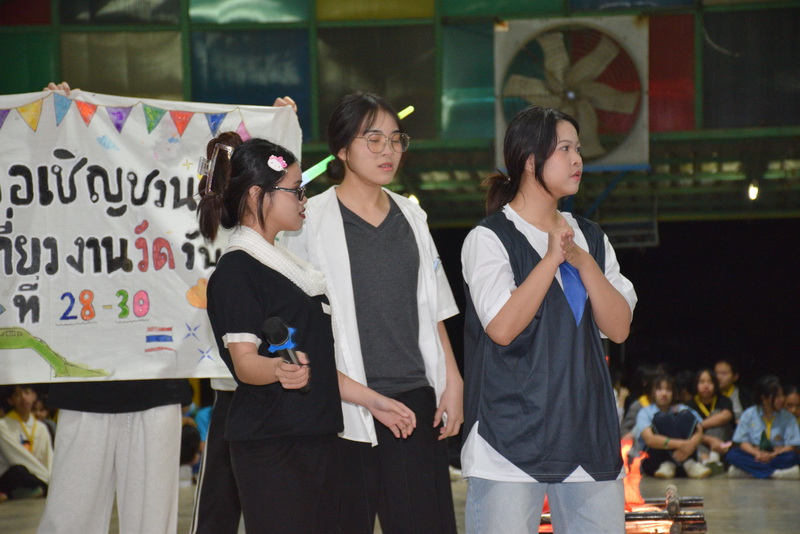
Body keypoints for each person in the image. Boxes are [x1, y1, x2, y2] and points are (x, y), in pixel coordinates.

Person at [198, 131, 415, 532]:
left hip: (318, 436)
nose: (304, 201)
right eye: (296, 190)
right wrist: (277, 369)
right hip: (273, 445)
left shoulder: (292, 269)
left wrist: (373, 401)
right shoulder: (237, 270)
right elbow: (244, 363)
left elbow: (316, 366)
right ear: (257, 195)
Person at [281, 92, 462, 534]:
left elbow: (433, 306)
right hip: (341, 401)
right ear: (342, 150)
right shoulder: (310, 219)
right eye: (373, 139)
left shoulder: (412, 216)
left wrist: (453, 380)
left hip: (412, 400)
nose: (388, 151)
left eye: (396, 139)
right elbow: (296, 322)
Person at [460, 106, 637, 533]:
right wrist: (551, 259)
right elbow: (502, 328)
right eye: (565, 149)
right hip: (508, 445)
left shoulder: (592, 238)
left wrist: (584, 262)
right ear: (529, 160)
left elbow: (618, 328)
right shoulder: (489, 238)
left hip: (587, 439)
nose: (578, 159)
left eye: (578, 149)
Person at [38, 81, 192, 534]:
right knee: (69, 517)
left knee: (152, 521)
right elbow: (31, 182)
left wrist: (271, 133)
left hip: (158, 382)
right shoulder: (71, 205)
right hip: (85, 382)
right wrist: (49, 120)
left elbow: (233, 201)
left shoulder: (179, 205)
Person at [191, 96, 299, 534]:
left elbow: (286, 178)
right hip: (234, 386)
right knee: (221, 505)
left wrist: (284, 127)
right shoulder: (226, 234)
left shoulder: (277, 234)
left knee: (280, 506)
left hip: (278, 392)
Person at [633, 374, 711, 479]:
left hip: (684, 464)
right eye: (659, 389)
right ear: (652, 392)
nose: (664, 393)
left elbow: (699, 431)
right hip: (656, 464)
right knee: (661, 418)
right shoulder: (645, 412)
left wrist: (691, 446)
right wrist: (683, 445)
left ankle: (683, 464)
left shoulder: (682, 408)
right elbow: (649, 439)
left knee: (685, 415)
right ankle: (684, 463)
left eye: (668, 390)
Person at [725, 375, 800, 479]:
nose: (782, 399)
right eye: (777, 396)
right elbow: (742, 442)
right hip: (754, 454)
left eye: (782, 395)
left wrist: (773, 454)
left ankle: (749, 472)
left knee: (793, 457)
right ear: (764, 398)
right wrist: (757, 453)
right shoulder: (748, 414)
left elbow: (791, 445)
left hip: (777, 455)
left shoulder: (788, 417)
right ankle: (774, 473)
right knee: (732, 455)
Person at [0, 385, 52, 500]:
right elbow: (17, 456)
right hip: (13, 474)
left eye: (27, 393)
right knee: (19, 470)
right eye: (18, 394)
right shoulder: (3, 426)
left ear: (34, 396)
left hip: (36, 477)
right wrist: (47, 480)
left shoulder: (41, 428)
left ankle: (37, 490)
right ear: (11, 400)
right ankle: (43, 488)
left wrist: (53, 479)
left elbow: (48, 459)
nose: (24, 398)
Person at [686, 367, 734, 468]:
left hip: (724, 441)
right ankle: (706, 461)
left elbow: (726, 416)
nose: (706, 386)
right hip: (701, 441)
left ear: (715, 384)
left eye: (710, 382)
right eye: (701, 382)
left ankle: (714, 457)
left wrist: (699, 425)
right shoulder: (689, 405)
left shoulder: (723, 400)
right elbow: (688, 429)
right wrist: (709, 439)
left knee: (717, 415)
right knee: (694, 434)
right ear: (696, 384)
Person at [714, 358, 754, 424]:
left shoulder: (745, 394)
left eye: (724, 373)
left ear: (735, 376)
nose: (718, 377)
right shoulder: (709, 395)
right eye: (716, 373)